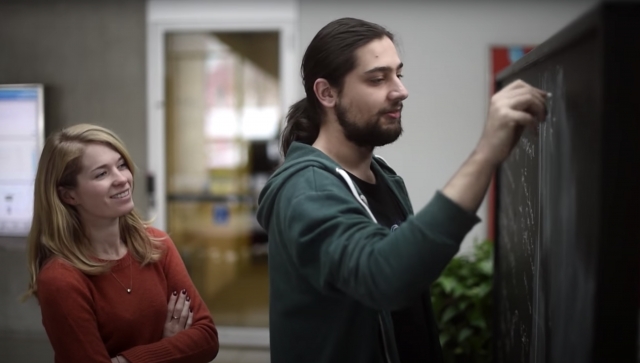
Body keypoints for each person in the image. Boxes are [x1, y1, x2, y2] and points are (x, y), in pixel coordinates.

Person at [256, 17, 547, 363]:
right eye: (378, 78)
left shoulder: (384, 177)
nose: (400, 90)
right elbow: (384, 276)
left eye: (398, 74)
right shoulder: (306, 191)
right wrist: (486, 154)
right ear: (326, 93)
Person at [24, 124, 219, 363]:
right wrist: (168, 347)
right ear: (69, 195)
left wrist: (125, 360)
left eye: (121, 165)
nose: (122, 179)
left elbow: (207, 338)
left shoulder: (156, 244)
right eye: (101, 174)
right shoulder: (60, 279)